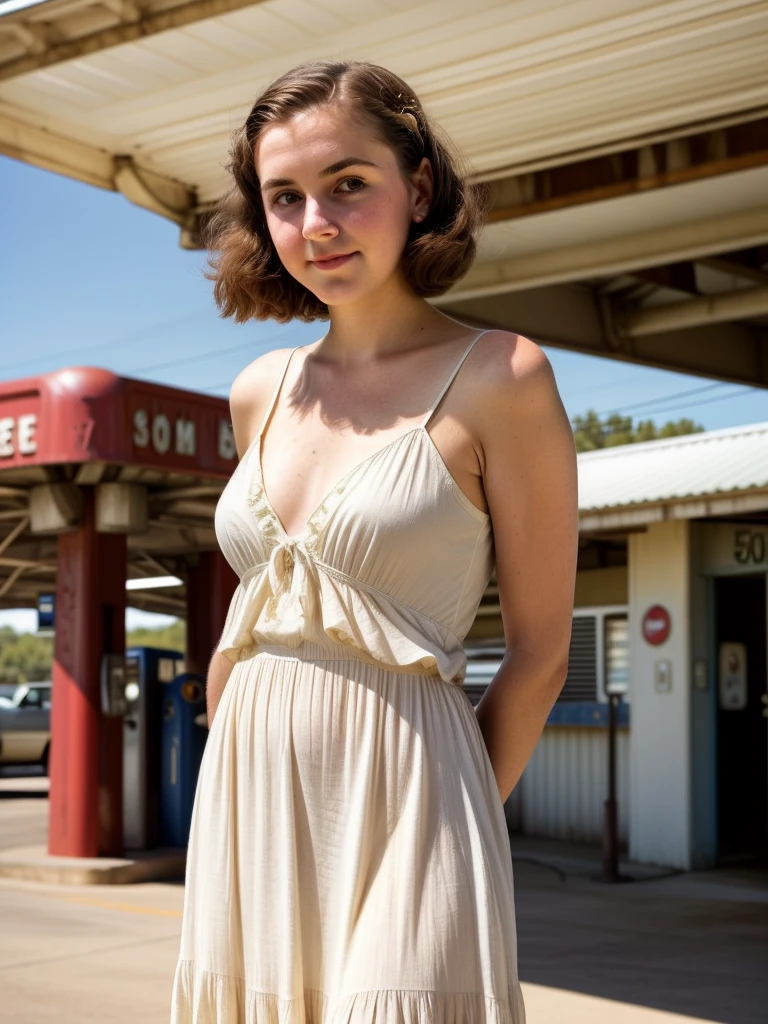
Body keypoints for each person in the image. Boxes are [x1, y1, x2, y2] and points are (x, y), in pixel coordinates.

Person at [170, 59, 578, 1024]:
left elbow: (542, 654)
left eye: (349, 183)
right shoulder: (259, 389)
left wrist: (457, 807)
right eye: (285, 197)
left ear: (418, 186)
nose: (317, 222)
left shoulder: (502, 376)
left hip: (414, 803)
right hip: (248, 808)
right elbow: (260, 608)